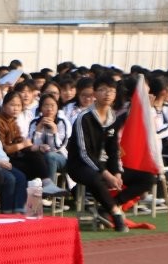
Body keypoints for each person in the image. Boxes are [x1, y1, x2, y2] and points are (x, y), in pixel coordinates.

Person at [66, 75, 155, 232]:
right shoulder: (84, 118)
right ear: (95, 93)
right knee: (95, 177)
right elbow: (84, 153)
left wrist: (117, 172)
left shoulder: (112, 116)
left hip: (103, 163)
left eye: (112, 91)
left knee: (147, 178)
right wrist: (107, 174)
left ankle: (109, 207)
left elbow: (113, 149)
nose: (107, 94)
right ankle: (115, 213)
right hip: (79, 164)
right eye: (103, 90)